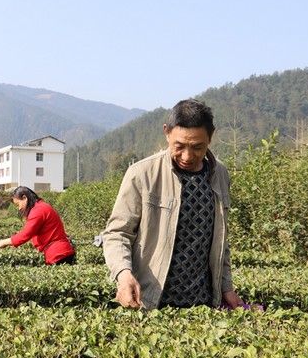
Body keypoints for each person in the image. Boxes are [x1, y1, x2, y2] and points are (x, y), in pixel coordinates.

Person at [102, 99, 244, 310]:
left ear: (210, 137)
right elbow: (117, 233)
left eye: (198, 147)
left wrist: (227, 288)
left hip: (204, 308)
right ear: (167, 133)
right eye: (179, 146)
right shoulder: (142, 174)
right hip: (151, 304)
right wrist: (123, 275)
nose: (188, 156)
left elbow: (221, 242)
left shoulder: (219, 175)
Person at [0, 186, 76, 265]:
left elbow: (25, 235)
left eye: (18, 204)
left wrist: (4, 242)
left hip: (58, 255)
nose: (19, 208)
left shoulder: (38, 210)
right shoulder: (40, 206)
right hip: (59, 253)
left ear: (24, 198)